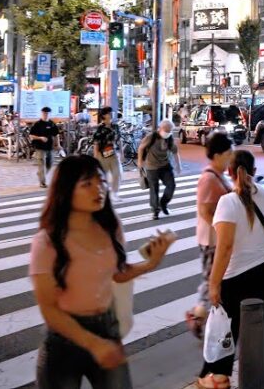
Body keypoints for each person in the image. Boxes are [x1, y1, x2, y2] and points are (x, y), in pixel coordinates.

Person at [30, 154, 172, 389]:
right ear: (66, 191)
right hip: (64, 337)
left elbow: (116, 273)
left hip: (107, 328)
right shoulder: (47, 242)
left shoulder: (109, 225)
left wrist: (151, 263)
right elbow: (49, 308)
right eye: (87, 184)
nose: (99, 189)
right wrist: (93, 344)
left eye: (102, 181)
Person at [197, 150, 264, 389]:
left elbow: (225, 246)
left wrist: (214, 282)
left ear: (230, 172)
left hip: (238, 275)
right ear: (255, 172)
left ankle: (217, 377)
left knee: (225, 328)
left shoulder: (228, 202)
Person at [187, 132, 232, 338]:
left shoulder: (220, 175)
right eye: (228, 152)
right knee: (211, 279)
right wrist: (221, 228)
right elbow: (205, 211)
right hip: (211, 240)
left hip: (217, 239)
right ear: (217, 155)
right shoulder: (208, 178)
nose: (231, 156)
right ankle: (198, 316)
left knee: (217, 279)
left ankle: (208, 316)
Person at [137, 119, 177, 221]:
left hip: (165, 166)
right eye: (166, 130)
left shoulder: (169, 138)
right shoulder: (151, 137)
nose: (168, 133)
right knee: (154, 189)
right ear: (161, 128)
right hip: (151, 167)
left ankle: (163, 203)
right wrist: (140, 161)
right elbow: (141, 147)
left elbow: (175, 151)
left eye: (170, 131)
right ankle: (155, 211)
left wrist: (179, 165)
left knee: (171, 185)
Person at [91, 108, 122, 197]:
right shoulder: (99, 129)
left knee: (117, 173)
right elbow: (96, 143)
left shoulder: (115, 126)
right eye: (109, 113)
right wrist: (96, 157)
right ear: (104, 115)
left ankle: (114, 193)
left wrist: (122, 152)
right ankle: (102, 192)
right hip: (102, 155)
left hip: (114, 153)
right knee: (102, 176)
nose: (111, 114)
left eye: (111, 112)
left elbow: (119, 140)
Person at [30, 107, 62, 189]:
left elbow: (56, 135)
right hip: (40, 147)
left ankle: (41, 174)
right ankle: (42, 182)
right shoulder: (37, 124)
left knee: (50, 164)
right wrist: (40, 138)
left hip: (50, 147)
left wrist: (58, 144)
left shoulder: (52, 124)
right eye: (44, 113)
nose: (45, 115)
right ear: (42, 113)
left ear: (49, 114)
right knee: (42, 164)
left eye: (47, 113)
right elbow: (31, 136)